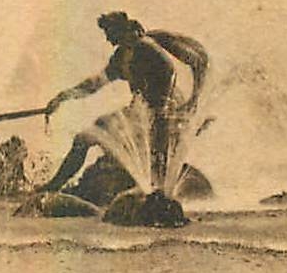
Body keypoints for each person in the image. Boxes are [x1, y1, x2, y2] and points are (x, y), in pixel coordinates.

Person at [39, 11, 207, 194]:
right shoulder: (120, 58)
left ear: (120, 29)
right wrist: (63, 97)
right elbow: (94, 84)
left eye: (109, 33)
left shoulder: (145, 46)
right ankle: (55, 185)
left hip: (165, 111)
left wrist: (169, 106)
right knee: (84, 137)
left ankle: (159, 193)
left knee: (156, 152)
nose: (108, 39)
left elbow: (169, 70)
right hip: (142, 111)